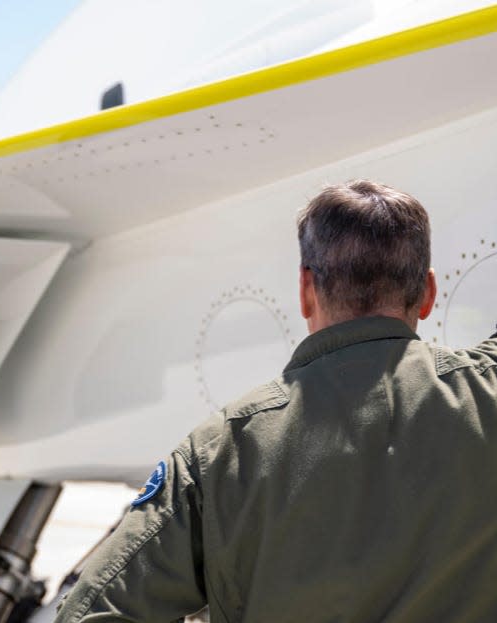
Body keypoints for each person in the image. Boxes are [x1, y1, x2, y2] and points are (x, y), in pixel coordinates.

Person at [54, 180, 497, 622]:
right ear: (428, 294)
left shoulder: (220, 454)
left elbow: (92, 614)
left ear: (306, 289)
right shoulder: (486, 393)